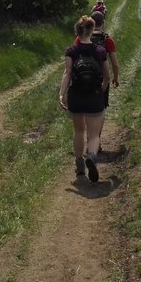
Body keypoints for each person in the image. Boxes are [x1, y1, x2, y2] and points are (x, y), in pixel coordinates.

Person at [59, 15, 111, 182]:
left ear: (78, 31)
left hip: (76, 96)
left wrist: (62, 93)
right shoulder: (100, 51)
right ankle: (92, 157)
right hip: (94, 97)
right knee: (94, 135)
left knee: (79, 131)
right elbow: (107, 77)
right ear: (91, 30)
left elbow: (67, 73)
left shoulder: (71, 50)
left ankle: (80, 164)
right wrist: (100, 91)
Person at [74, 11, 119, 151]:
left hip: (81, 80)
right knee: (99, 111)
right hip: (100, 82)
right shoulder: (107, 40)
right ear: (103, 22)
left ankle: (88, 141)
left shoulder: (79, 39)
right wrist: (115, 78)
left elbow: (73, 59)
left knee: (84, 111)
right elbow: (115, 63)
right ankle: (95, 142)